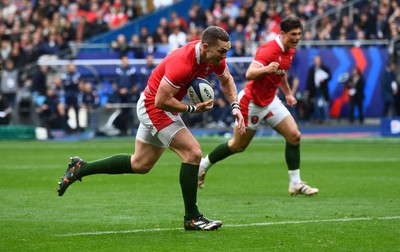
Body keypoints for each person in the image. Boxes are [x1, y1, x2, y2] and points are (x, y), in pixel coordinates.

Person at [56, 26, 245, 231]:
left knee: (140, 164)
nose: (225, 55)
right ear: (206, 46)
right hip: (153, 107)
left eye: (227, 50)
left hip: (159, 105)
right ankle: (192, 218)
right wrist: (191, 109)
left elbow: (227, 81)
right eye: (222, 51)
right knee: (192, 153)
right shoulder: (182, 62)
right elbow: (161, 100)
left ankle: (81, 168)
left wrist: (235, 107)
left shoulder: (214, 58)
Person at [198, 16, 319, 196]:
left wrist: (287, 93)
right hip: (251, 103)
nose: (297, 37)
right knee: (237, 146)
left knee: (294, 136)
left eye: (299, 34)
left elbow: (281, 72)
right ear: (283, 34)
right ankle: (203, 164)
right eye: (293, 34)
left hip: (270, 101)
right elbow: (250, 73)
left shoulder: (290, 50)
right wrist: (266, 69)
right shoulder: (268, 50)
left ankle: (295, 183)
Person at [305, 55, 331, 124]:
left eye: (318, 60)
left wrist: (324, 79)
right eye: (316, 60)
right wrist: (307, 90)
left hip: (323, 89)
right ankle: (318, 119)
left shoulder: (325, 68)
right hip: (315, 90)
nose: (317, 62)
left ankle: (326, 119)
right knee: (315, 105)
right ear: (314, 61)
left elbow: (329, 77)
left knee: (325, 105)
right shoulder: (311, 69)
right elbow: (309, 80)